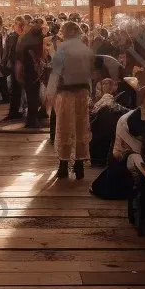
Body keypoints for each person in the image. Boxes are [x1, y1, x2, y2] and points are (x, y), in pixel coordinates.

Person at [47, 20, 95, 179]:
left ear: (65, 33)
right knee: (82, 127)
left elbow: (55, 74)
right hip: (82, 93)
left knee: (64, 127)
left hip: (65, 94)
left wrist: (49, 95)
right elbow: (90, 76)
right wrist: (91, 94)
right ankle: (80, 166)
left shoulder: (62, 49)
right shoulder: (87, 50)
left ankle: (63, 166)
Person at [89, 79, 128, 167]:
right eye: (104, 84)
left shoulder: (107, 98)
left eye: (108, 84)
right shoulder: (107, 97)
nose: (105, 86)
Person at [13, 23, 45, 129]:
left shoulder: (25, 41)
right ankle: (32, 120)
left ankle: (31, 120)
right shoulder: (37, 41)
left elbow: (19, 58)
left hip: (27, 71)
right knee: (33, 96)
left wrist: (19, 72)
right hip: (33, 71)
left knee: (31, 96)